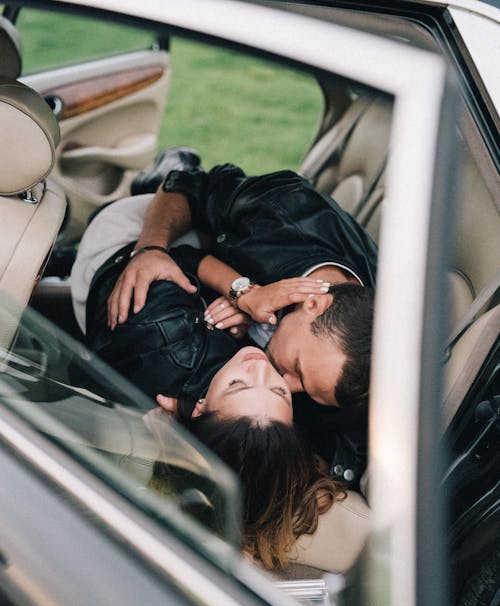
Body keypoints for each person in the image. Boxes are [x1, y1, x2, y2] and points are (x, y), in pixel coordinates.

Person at [88, 158, 377, 486]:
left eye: (308, 393)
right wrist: (238, 288)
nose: (286, 383)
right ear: (313, 302)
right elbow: (186, 187)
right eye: (297, 367)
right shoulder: (284, 209)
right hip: (135, 246)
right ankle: (160, 170)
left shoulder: (357, 370)